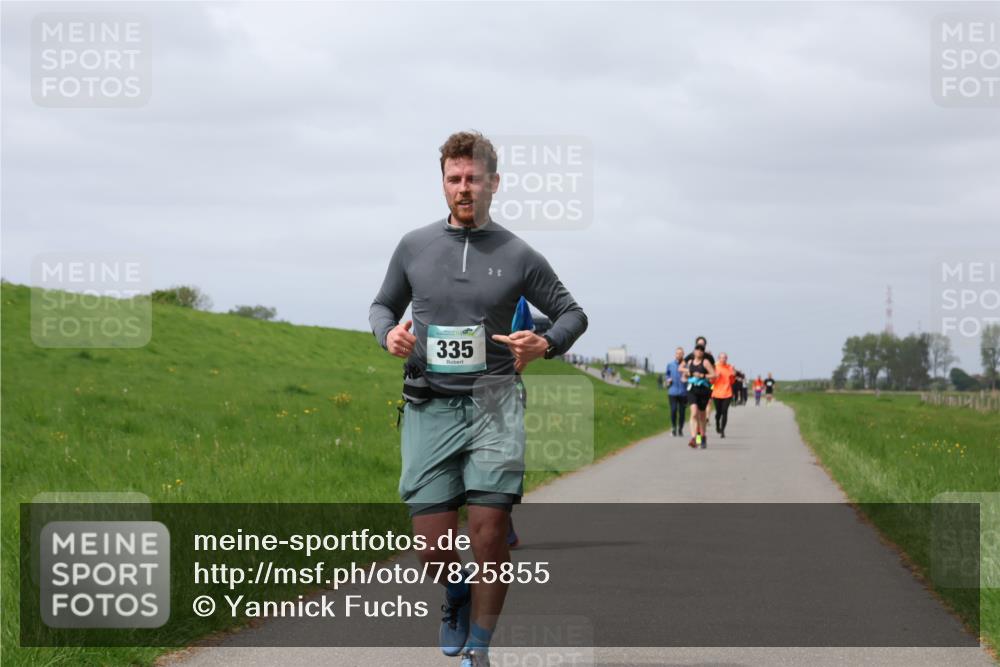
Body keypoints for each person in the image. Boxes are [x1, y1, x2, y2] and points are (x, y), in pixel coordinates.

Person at [369, 131, 587, 667]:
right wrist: (388, 335)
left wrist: (547, 343)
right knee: (432, 549)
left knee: (489, 532)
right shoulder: (414, 246)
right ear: (443, 183)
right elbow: (381, 306)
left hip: (495, 403)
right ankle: (458, 594)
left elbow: (573, 314)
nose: (463, 188)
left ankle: (480, 653)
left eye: (472, 179)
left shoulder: (519, 254)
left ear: (493, 182)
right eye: (454, 179)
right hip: (428, 404)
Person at [682, 344, 716, 448]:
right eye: (697, 349)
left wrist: (703, 375)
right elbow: (684, 373)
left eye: (702, 350)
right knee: (694, 413)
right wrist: (686, 375)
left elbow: (714, 374)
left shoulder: (705, 362)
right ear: (694, 351)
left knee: (701, 416)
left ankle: (702, 437)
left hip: (703, 390)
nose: (699, 351)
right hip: (692, 389)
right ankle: (694, 438)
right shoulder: (690, 362)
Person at [664, 347, 688, 437]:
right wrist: (668, 379)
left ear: (683, 355)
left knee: (682, 412)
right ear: (675, 354)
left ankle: (680, 429)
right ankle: (673, 427)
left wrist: (687, 378)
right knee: (673, 410)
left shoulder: (686, 366)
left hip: (683, 392)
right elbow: (667, 374)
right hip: (672, 392)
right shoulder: (670, 364)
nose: (679, 355)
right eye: (677, 353)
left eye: (680, 353)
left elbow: (690, 376)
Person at [711, 353, 736, 438]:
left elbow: (732, 382)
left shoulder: (729, 367)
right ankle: (717, 424)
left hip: (727, 393)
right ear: (718, 358)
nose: (723, 359)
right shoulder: (715, 367)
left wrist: (733, 374)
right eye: (721, 358)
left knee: (724, 411)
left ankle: (722, 430)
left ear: (727, 359)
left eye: (725, 358)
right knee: (718, 412)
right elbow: (711, 382)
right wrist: (715, 377)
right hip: (717, 393)